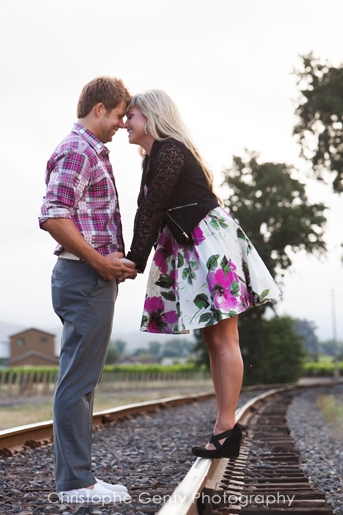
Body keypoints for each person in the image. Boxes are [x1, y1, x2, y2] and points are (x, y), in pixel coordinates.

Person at [123, 89, 282, 459]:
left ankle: (225, 429)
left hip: (208, 243)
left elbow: (152, 208)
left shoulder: (171, 150)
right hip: (193, 244)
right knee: (214, 341)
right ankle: (223, 427)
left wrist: (134, 259)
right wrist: (135, 257)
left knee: (225, 339)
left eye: (130, 116)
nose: (124, 123)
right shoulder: (154, 156)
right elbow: (150, 210)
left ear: (150, 116)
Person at [39, 77, 136, 504]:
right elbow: (54, 216)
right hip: (83, 277)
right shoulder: (78, 150)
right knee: (76, 384)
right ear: (100, 108)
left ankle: (82, 478)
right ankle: (75, 484)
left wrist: (112, 262)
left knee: (82, 383)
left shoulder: (88, 150)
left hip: (89, 277)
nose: (120, 123)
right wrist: (101, 261)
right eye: (118, 115)